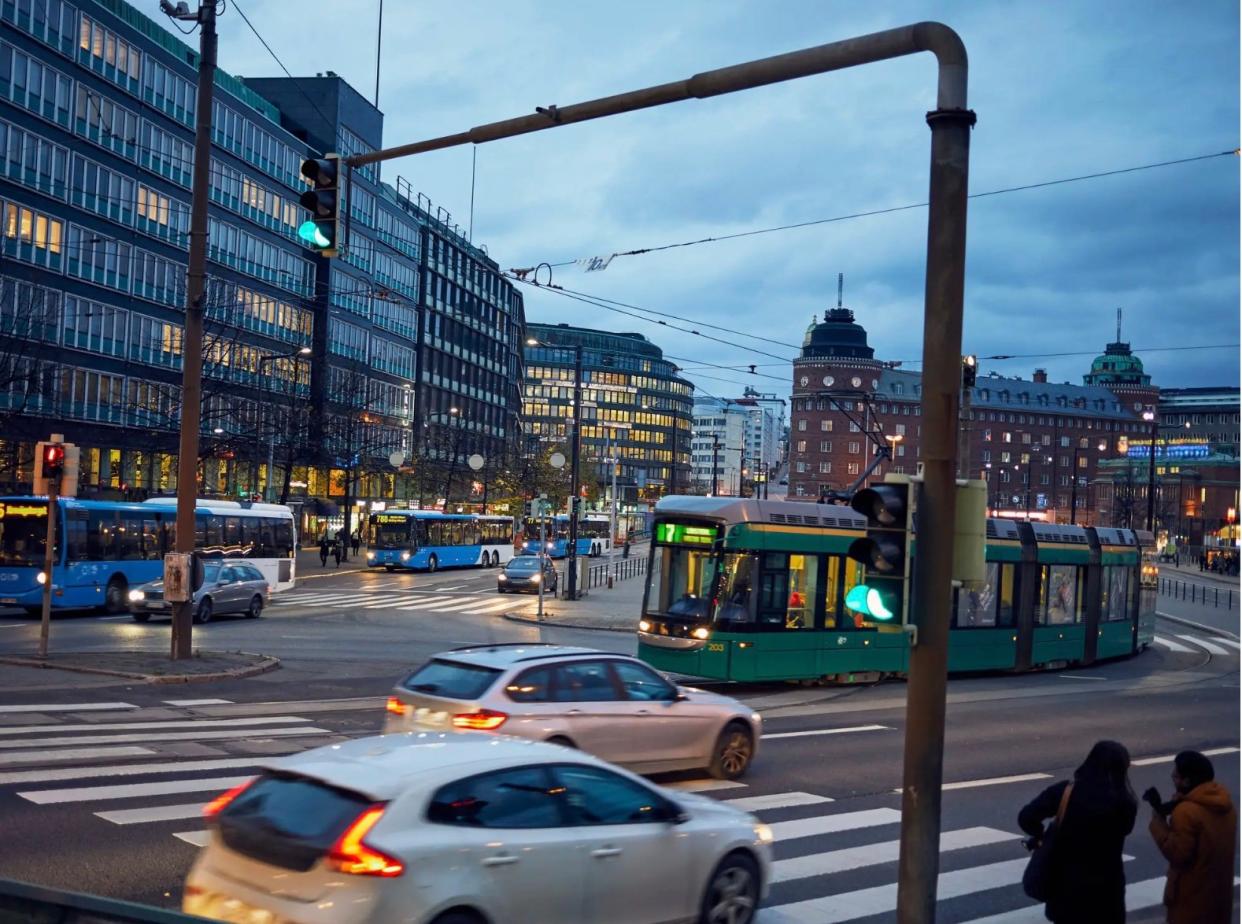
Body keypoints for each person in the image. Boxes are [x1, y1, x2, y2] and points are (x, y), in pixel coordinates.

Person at [1018, 740, 1138, 924]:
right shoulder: (1125, 802)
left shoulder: (1066, 792)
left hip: (1067, 886)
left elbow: (1026, 817)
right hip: (1107, 889)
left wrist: (1041, 835)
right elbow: (1125, 830)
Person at [1146, 750, 1237, 924]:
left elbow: (1178, 854)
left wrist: (1158, 823)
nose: (1173, 777)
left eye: (1176, 775)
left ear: (1187, 781)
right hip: (1218, 896)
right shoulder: (1225, 805)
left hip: (1191, 899)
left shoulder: (1187, 812)